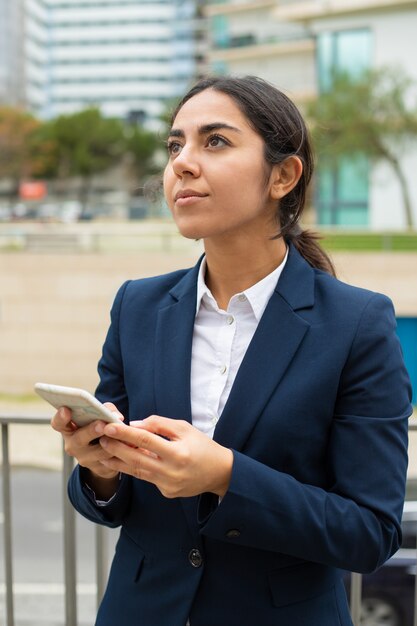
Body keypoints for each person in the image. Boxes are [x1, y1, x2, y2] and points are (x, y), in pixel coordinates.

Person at [52, 75, 412, 626]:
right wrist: (100, 469)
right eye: (176, 145)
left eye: (214, 141)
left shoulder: (357, 323)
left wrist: (225, 476)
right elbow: (109, 501)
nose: (182, 164)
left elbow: (370, 533)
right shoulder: (138, 307)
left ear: (283, 176)